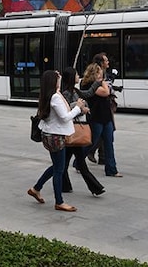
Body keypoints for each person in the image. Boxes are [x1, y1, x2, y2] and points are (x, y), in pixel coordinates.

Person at [27, 69, 88, 212]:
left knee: (56, 166)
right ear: (54, 82)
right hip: (56, 136)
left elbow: (62, 111)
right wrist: (78, 108)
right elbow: (65, 117)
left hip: (50, 135)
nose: (60, 80)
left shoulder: (49, 94)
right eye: (57, 78)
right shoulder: (54, 97)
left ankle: (36, 189)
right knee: (59, 170)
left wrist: (56, 76)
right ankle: (59, 201)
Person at [60, 67, 105, 196]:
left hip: (74, 131)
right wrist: (81, 109)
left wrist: (97, 82)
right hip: (72, 131)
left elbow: (88, 93)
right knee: (74, 163)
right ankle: (95, 187)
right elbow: (67, 111)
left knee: (72, 162)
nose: (78, 76)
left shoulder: (75, 90)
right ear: (71, 77)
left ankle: (66, 185)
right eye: (76, 74)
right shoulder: (66, 94)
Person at [82, 60, 121, 177]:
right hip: (96, 117)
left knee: (109, 142)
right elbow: (105, 92)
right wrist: (103, 82)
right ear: (94, 73)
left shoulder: (98, 83)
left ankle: (111, 169)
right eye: (99, 72)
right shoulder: (89, 85)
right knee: (92, 141)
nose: (102, 74)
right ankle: (78, 161)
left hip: (106, 116)